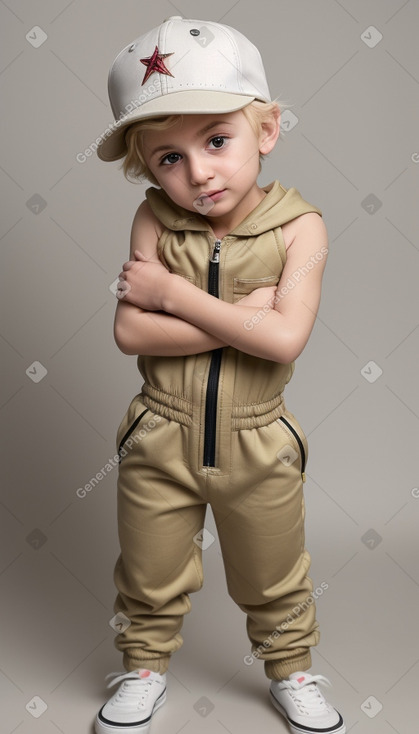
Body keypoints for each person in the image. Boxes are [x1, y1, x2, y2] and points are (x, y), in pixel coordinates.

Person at [94, 15, 345, 734]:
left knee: (275, 574)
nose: (197, 172)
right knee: (147, 570)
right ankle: (143, 667)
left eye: (215, 141)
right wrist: (244, 313)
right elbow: (128, 332)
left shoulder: (300, 228)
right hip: (158, 433)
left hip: (257, 441)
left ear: (264, 131)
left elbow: (284, 339)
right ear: (144, 168)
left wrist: (173, 295)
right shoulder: (154, 221)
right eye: (167, 158)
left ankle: (291, 670)